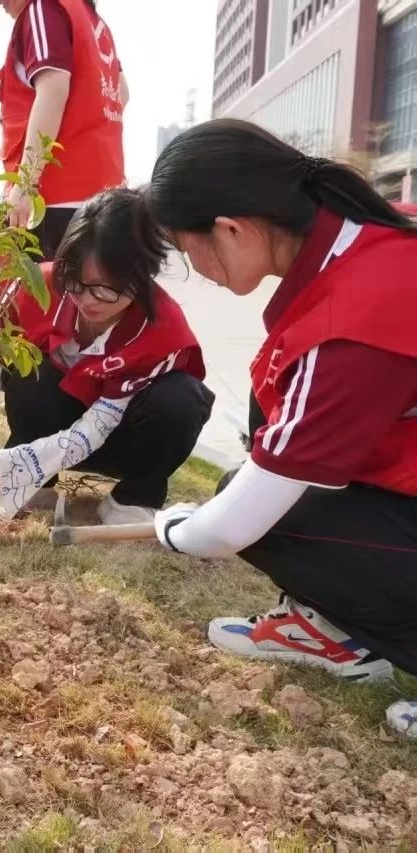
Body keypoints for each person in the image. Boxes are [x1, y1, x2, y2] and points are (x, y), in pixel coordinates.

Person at [145, 118, 417, 738]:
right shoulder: (367, 237)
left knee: (267, 515)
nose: (196, 269)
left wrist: (176, 529)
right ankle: (336, 628)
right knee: (270, 420)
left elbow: (233, 527)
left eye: (187, 251)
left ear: (231, 230)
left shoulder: (357, 314)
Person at [0, 188, 213, 524]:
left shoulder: (162, 330)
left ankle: (135, 496)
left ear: (142, 277)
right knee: (27, 366)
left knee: (181, 399)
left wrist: (15, 464)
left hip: (121, 440)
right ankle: (40, 482)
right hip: (52, 427)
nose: (88, 300)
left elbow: (96, 428)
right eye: (76, 282)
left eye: (106, 288)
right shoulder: (36, 287)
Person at [0, 0, 128, 260]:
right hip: (107, 197)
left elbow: (53, 88)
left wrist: (25, 184)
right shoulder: (92, 21)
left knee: (38, 285)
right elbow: (121, 94)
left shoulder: (42, 9)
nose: (1, 6)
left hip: (53, 201)